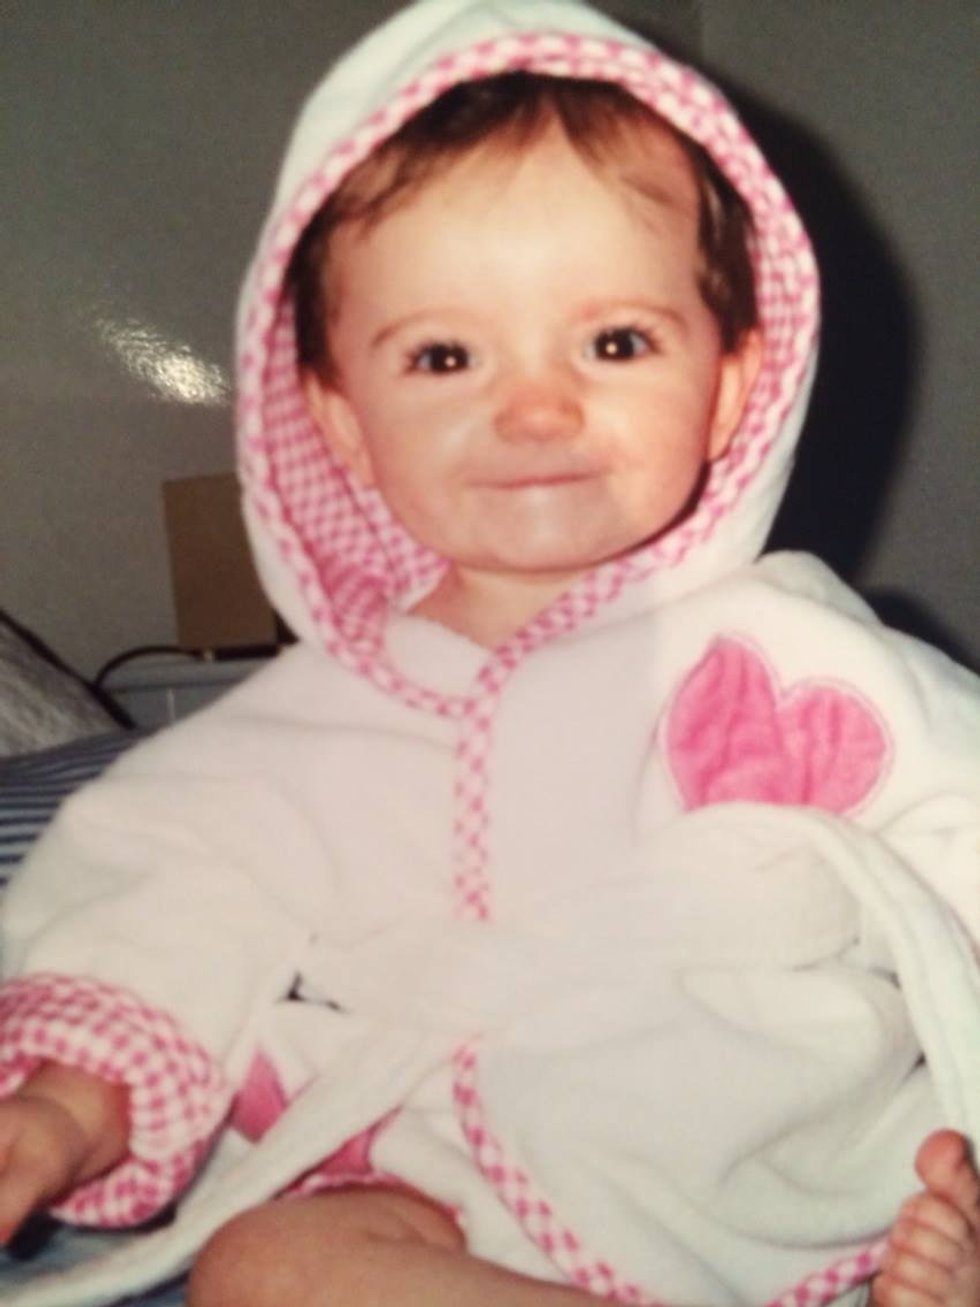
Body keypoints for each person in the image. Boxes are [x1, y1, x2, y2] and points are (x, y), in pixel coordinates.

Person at [0, 3, 978, 1305]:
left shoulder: (795, 651)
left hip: (768, 1162)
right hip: (438, 1194)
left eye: (614, 342)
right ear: (344, 425)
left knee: (933, 1191)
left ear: (731, 388)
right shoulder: (310, 721)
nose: (534, 407)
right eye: (446, 355)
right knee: (265, 1265)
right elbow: (168, 893)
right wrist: (69, 1102)